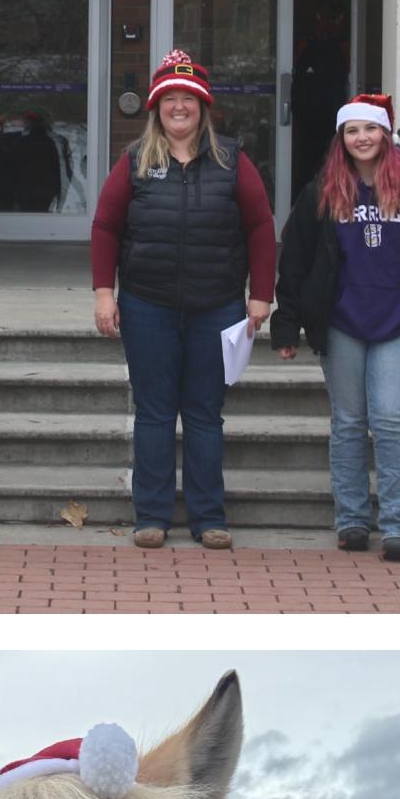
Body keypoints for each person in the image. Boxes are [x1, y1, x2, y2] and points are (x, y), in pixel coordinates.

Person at [91, 50, 279, 550]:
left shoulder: (232, 160)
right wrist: (104, 293)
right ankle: (150, 516)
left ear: (203, 106)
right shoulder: (134, 161)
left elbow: (261, 227)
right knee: (154, 413)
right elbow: (106, 227)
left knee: (203, 414)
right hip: (147, 305)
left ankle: (208, 517)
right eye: (169, 98)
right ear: (156, 107)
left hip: (216, 306)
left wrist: (261, 295)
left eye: (188, 98)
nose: (179, 106)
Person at [273, 94, 400, 561]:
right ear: (342, 139)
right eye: (352, 131)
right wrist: (287, 322)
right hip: (341, 323)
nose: (362, 138)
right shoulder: (323, 192)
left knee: (391, 419)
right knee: (349, 422)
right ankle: (352, 520)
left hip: (399, 322)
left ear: (385, 134)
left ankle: (398, 525)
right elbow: (295, 259)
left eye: (370, 129)